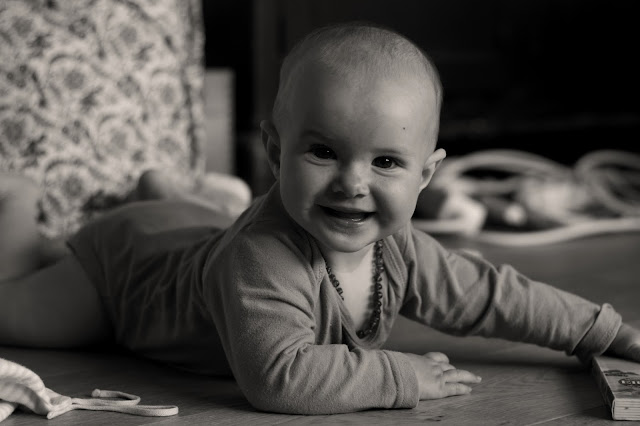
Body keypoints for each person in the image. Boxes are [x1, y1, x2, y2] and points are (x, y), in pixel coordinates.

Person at [1, 22, 639, 415]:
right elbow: (279, 379)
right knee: (14, 311)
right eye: (324, 152)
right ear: (275, 151)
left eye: (385, 161)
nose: (353, 184)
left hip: (189, 229)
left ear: (426, 175)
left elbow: (491, 296)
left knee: (208, 224)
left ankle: (163, 191)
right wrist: (400, 375)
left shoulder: (399, 245)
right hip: (123, 276)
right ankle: (19, 203)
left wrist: (602, 331)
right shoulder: (262, 260)